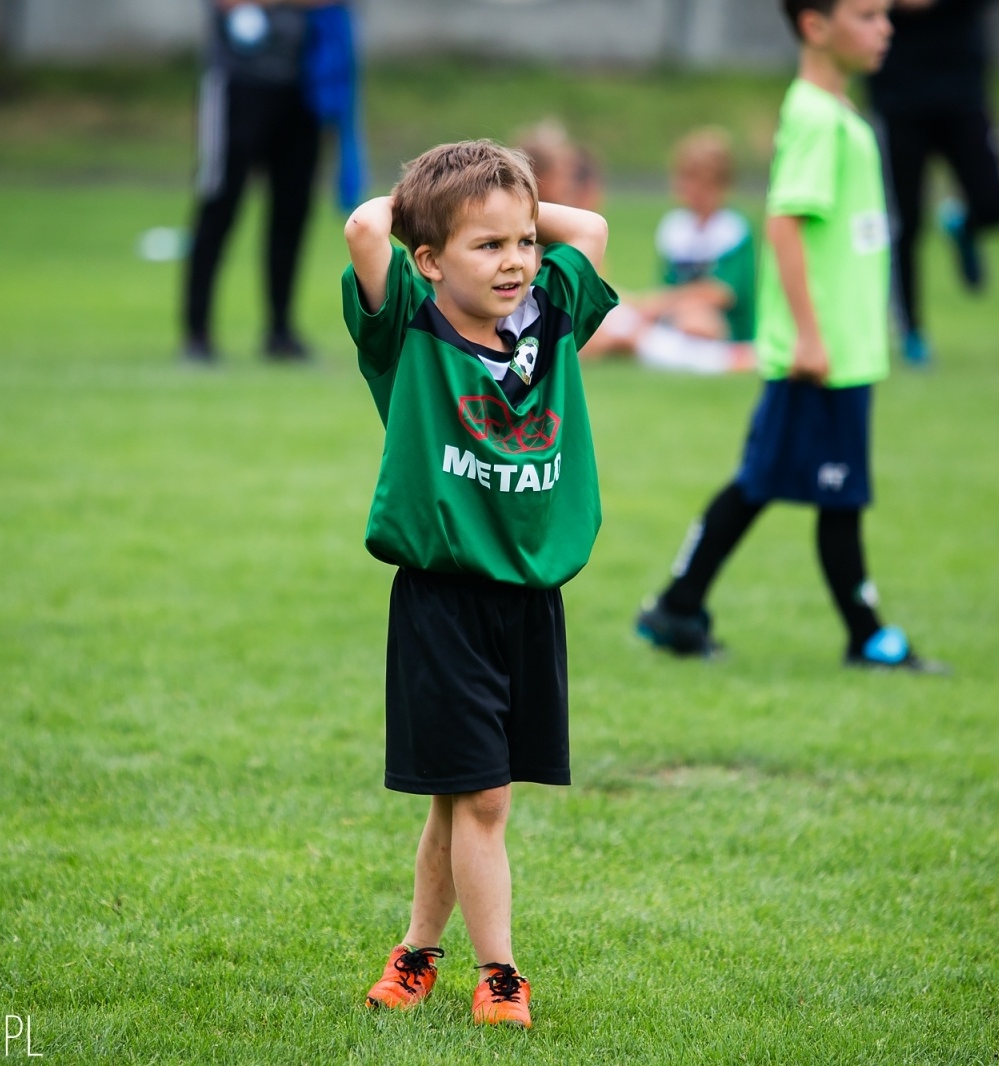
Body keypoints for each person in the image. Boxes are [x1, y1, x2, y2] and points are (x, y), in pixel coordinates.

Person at [341, 141, 614, 1028]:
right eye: (485, 247)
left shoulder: (553, 314)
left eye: (523, 243)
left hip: (531, 598)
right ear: (427, 263)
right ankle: (501, 975)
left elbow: (595, 228)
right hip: (444, 599)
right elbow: (363, 226)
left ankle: (417, 953)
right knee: (485, 797)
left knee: (462, 794)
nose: (515, 262)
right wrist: (428, 202)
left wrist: (502, 203)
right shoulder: (407, 330)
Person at [634, 0, 944, 674]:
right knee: (832, 494)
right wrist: (809, 335)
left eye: (885, 15)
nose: (884, 27)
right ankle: (865, 634)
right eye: (865, 15)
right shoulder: (813, 116)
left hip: (845, 350)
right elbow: (784, 225)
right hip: (821, 356)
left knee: (771, 484)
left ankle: (678, 606)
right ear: (814, 25)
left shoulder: (838, 115)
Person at [183, 0, 343, 364]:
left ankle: (280, 331)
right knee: (218, 207)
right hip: (238, 86)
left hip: (303, 89)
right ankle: (197, 333)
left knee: (292, 212)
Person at [867, 0, 999, 368]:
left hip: (962, 87)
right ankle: (912, 332)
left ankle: (963, 224)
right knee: (904, 221)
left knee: (995, 204)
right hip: (898, 92)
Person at [585, 127, 757, 375]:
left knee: (696, 321)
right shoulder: (676, 228)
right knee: (614, 306)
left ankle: (723, 359)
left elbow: (721, 293)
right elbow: (668, 285)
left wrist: (662, 304)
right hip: (674, 317)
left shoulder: (733, 230)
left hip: (723, 329)